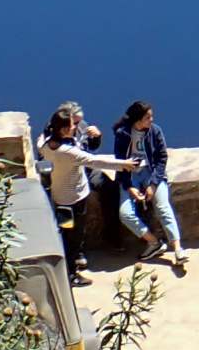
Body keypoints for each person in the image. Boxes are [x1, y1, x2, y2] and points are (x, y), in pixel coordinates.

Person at [38, 103, 130, 287]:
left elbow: (42, 144)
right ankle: (71, 271)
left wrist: (97, 137)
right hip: (75, 196)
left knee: (66, 229)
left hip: (62, 193)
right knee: (74, 233)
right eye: (73, 124)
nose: (77, 127)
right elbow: (93, 160)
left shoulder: (48, 142)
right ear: (64, 128)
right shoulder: (67, 150)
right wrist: (125, 164)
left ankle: (73, 261)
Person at [117, 99, 187, 275]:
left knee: (163, 206)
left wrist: (154, 184)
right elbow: (119, 162)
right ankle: (153, 242)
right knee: (125, 214)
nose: (151, 119)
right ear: (138, 119)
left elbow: (162, 158)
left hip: (151, 173)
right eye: (148, 117)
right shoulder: (123, 134)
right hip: (131, 174)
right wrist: (129, 187)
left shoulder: (155, 131)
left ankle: (177, 248)